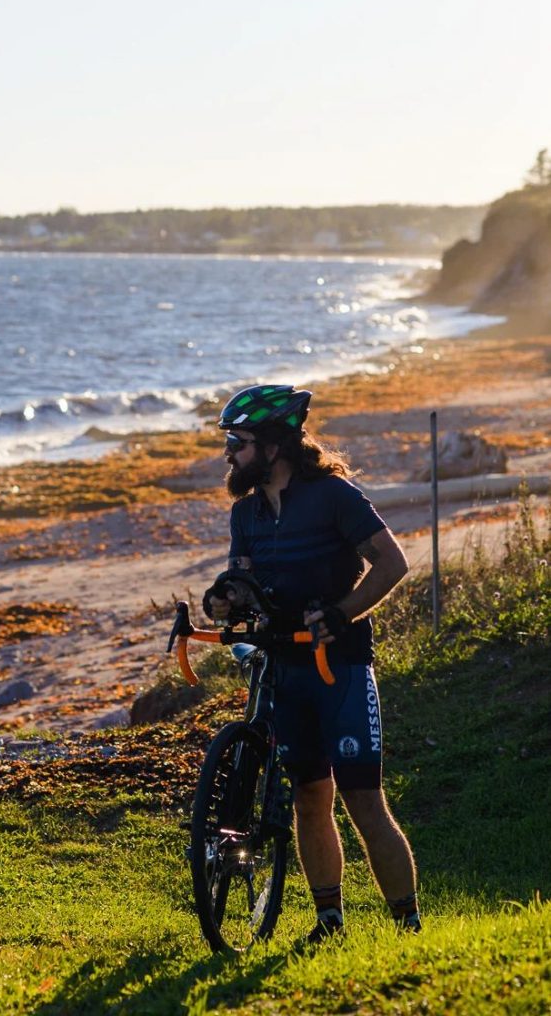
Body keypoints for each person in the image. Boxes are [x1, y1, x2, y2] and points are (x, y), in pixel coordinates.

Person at [205, 384, 421, 941]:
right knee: (308, 798)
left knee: (364, 802)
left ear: (273, 446)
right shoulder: (246, 513)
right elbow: (243, 580)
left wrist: (343, 613)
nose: (229, 453)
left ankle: (409, 926)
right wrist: (226, 599)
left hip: (339, 668)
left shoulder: (333, 496)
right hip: (284, 669)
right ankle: (330, 922)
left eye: (238, 442)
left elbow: (391, 562)